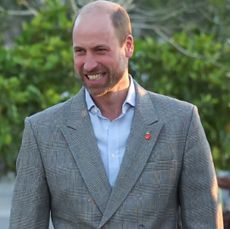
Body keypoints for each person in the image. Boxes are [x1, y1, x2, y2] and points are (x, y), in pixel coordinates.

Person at [9, 0, 223, 228]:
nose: (89, 64)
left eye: (100, 50)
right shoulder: (41, 130)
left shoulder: (182, 122)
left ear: (128, 45)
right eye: (80, 51)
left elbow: (205, 223)